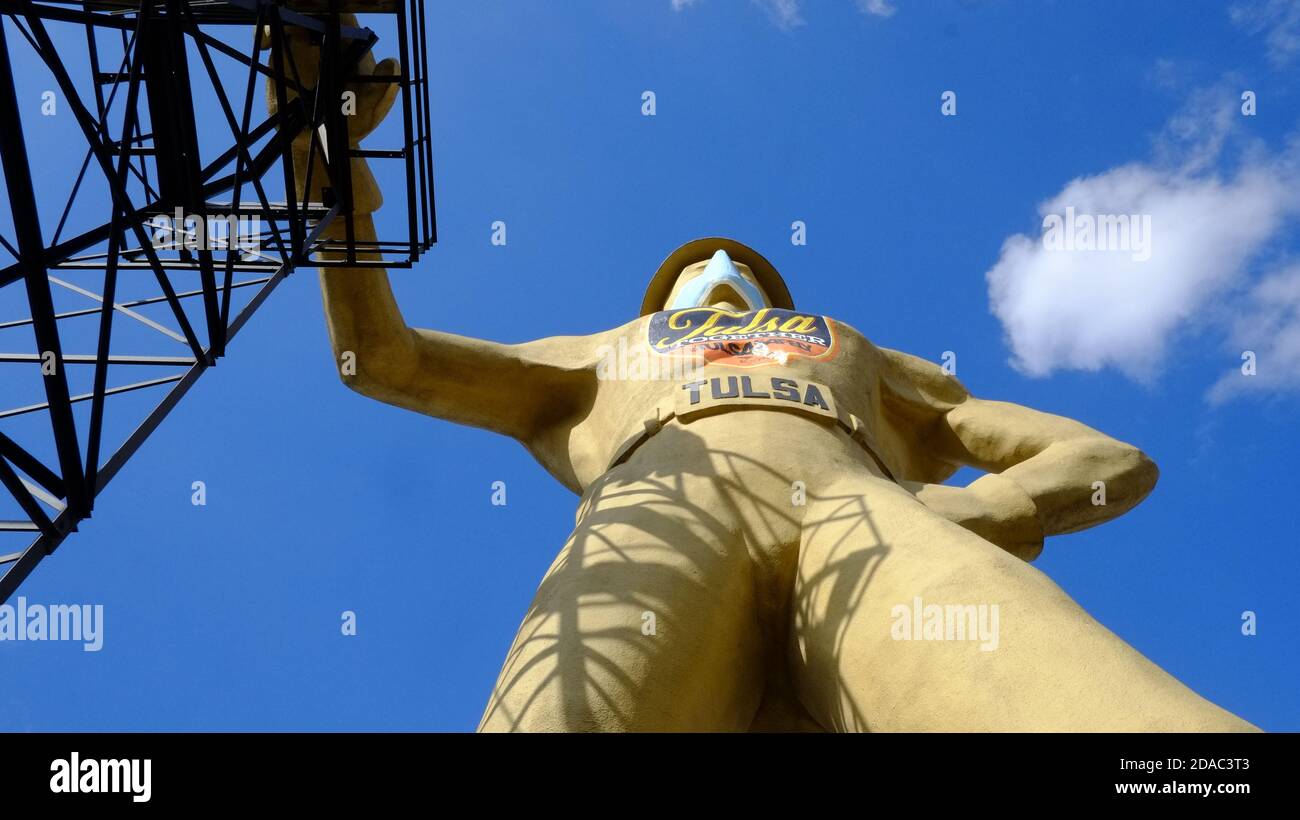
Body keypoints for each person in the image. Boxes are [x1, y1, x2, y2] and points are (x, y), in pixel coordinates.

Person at [274, 24, 1256, 732]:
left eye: (743, 268)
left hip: (866, 524)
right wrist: (331, 174)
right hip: (656, 517)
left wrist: (985, 511)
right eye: (695, 270)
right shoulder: (606, 348)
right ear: (662, 297)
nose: (721, 273)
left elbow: (1105, 457)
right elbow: (383, 362)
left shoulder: (858, 352)